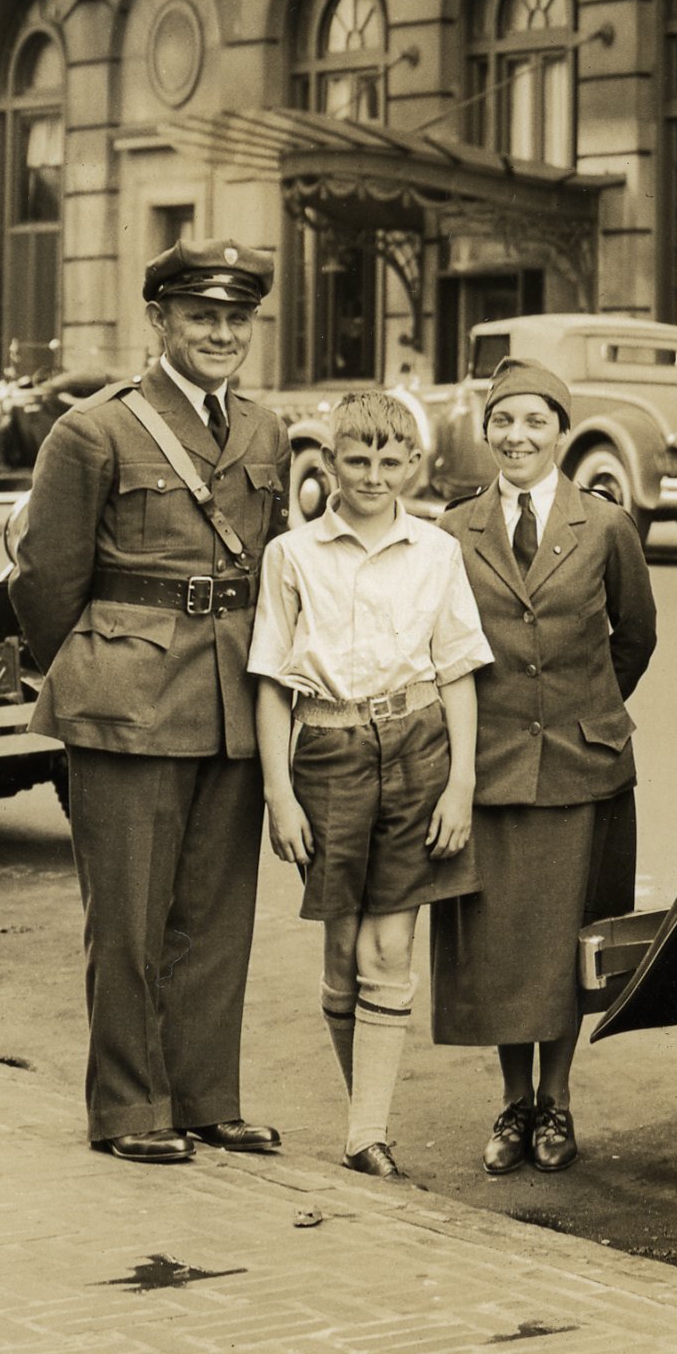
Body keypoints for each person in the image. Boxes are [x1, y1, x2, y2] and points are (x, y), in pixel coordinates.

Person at [8, 238, 296, 1165]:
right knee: (128, 917)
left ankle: (207, 1096)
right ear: (159, 322)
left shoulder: (265, 429)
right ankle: (131, 1107)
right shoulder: (93, 431)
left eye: (236, 318)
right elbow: (46, 580)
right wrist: (99, 670)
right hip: (126, 700)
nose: (221, 333)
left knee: (217, 913)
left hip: (233, 695)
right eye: (201, 316)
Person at [250, 392, 490, 1180]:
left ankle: (366, 1133)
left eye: (392, 462)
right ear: (331, 466)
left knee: (390, 942)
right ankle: (366, 1118)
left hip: (416, 743)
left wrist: (460, 784)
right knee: (342, 946)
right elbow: (271, 683)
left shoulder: (435, 550)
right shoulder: (294, 555)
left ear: (413, 465)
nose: (374, 475)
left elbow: (457, 671)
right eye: (358, 460)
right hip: (328, 749)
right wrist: (279, 795)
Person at [436, 355, 657, 1174]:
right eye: (503, 420)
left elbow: (635, 637)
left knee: (569, 942)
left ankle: (556, 1102)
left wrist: (584, 707)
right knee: (501, 946)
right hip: (490, 765)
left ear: (562, 433)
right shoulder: (453, 529)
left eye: (535, 420)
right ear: (485, 431)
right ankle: (512, 1102)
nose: (517, 435)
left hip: (578, 767)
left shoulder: (604, 526)